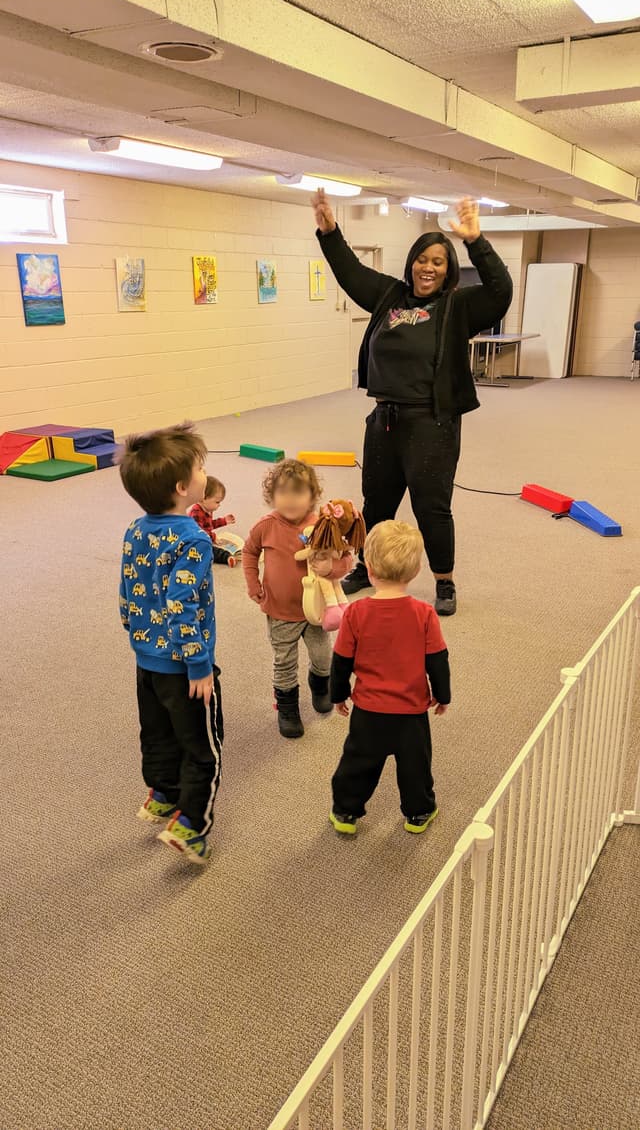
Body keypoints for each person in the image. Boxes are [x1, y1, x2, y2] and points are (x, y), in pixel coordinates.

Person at [312, 189, 513, 616]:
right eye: (423, 259)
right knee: (377, 501)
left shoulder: (457, 306)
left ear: (447, 269)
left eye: (438, 262)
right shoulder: (389, 296)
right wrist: (329, 232)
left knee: (431, 506)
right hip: (385, 418)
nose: (428, 267)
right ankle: (367, 566)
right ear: (412, 263)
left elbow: (500, 291)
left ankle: (444, 581)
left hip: (431, 422)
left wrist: (475, 239)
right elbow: (349, 271)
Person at [118, 422, 223, 865]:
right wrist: (198, 664)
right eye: (201, 468)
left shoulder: (136, 528)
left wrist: (137, 635)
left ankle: (163, 793)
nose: (205, 473)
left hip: (148, 660)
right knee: (204, 748)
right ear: (183, 488)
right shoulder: (194, 539)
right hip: (185, 667)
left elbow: (128, 588)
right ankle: (190, 827)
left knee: (159, 732)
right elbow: (181, 605)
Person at [329, 520, 451, 835]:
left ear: (368, 567)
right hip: (410, 712)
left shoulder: (355, 613)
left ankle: (345, 811)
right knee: (415, 767)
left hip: (368, 711)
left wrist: (338, 694)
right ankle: (419, 812)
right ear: (415, 570)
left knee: (357, 763)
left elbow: (341, 660)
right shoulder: (424, 614)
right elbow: (437, 659)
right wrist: (442, 694)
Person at [242, 459, 352, 738]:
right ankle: (287, 706)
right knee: (284, 661)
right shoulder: (265, 526)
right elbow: (249, 552)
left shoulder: (323, 526)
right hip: (280, 610)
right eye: (283, 492)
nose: (290, 500)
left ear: (313, 496)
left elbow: (346, 559)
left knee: (323, 656)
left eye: (298, 493)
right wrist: (253, 582)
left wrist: (331, 568)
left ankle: (320, 684)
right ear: (271, 495)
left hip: (316, 612)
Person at [189, 475, 239, 567]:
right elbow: (199, 531)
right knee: (210, 550)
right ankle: (227, 557)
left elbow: (209, 525)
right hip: (193, 542)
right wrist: (213, 536)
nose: (219, 505)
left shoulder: (207, 510)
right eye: (217, 502)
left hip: (202, 539)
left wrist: (224, 521)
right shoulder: (195, 512)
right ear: (203, 498)